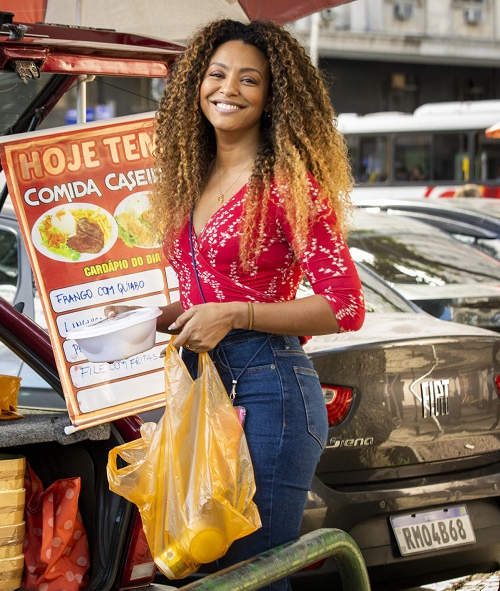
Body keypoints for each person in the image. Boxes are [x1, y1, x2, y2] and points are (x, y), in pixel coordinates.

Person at [106, 20, 365, 588]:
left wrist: (236, 314)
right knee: (200, 573)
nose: (229, 88)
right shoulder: (191, 178)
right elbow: (214, 292)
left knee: (254, 577)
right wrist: (160, 316)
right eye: (217, 73)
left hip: (271, 391)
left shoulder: (290, 185)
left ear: (274, 97)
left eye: (250, 79)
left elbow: (345, 306)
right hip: (205, 392)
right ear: (195, 83)